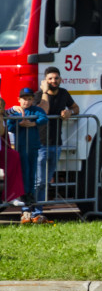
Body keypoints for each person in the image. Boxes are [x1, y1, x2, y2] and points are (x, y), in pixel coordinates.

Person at [34, 66, 79, 204]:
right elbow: (44, 111)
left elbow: (76, 108)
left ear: (60, 79)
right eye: (50, 78)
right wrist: (45, 91)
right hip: (40, 145)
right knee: (39, 181)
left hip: (56, 144)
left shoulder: (64, 93)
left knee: (46, 181)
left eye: (56, 78)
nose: (53, 80)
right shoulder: (38, 95)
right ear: (45, 81)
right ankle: (34, 209)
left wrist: (70, 112)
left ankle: (39, 209)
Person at [7, 88, 49, 223]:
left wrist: (32, 123)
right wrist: (19, 123)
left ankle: (30, 196)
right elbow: (9, 125)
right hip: (21, 147)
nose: (27, 101)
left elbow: (44, 118)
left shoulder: (36, 110)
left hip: (33, 147)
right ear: (19, 100)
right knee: (24, 172)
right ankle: (25, 198)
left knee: (33, 173)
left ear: (33, 100)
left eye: (29, 99)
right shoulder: (16, 111)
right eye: (24, 99)